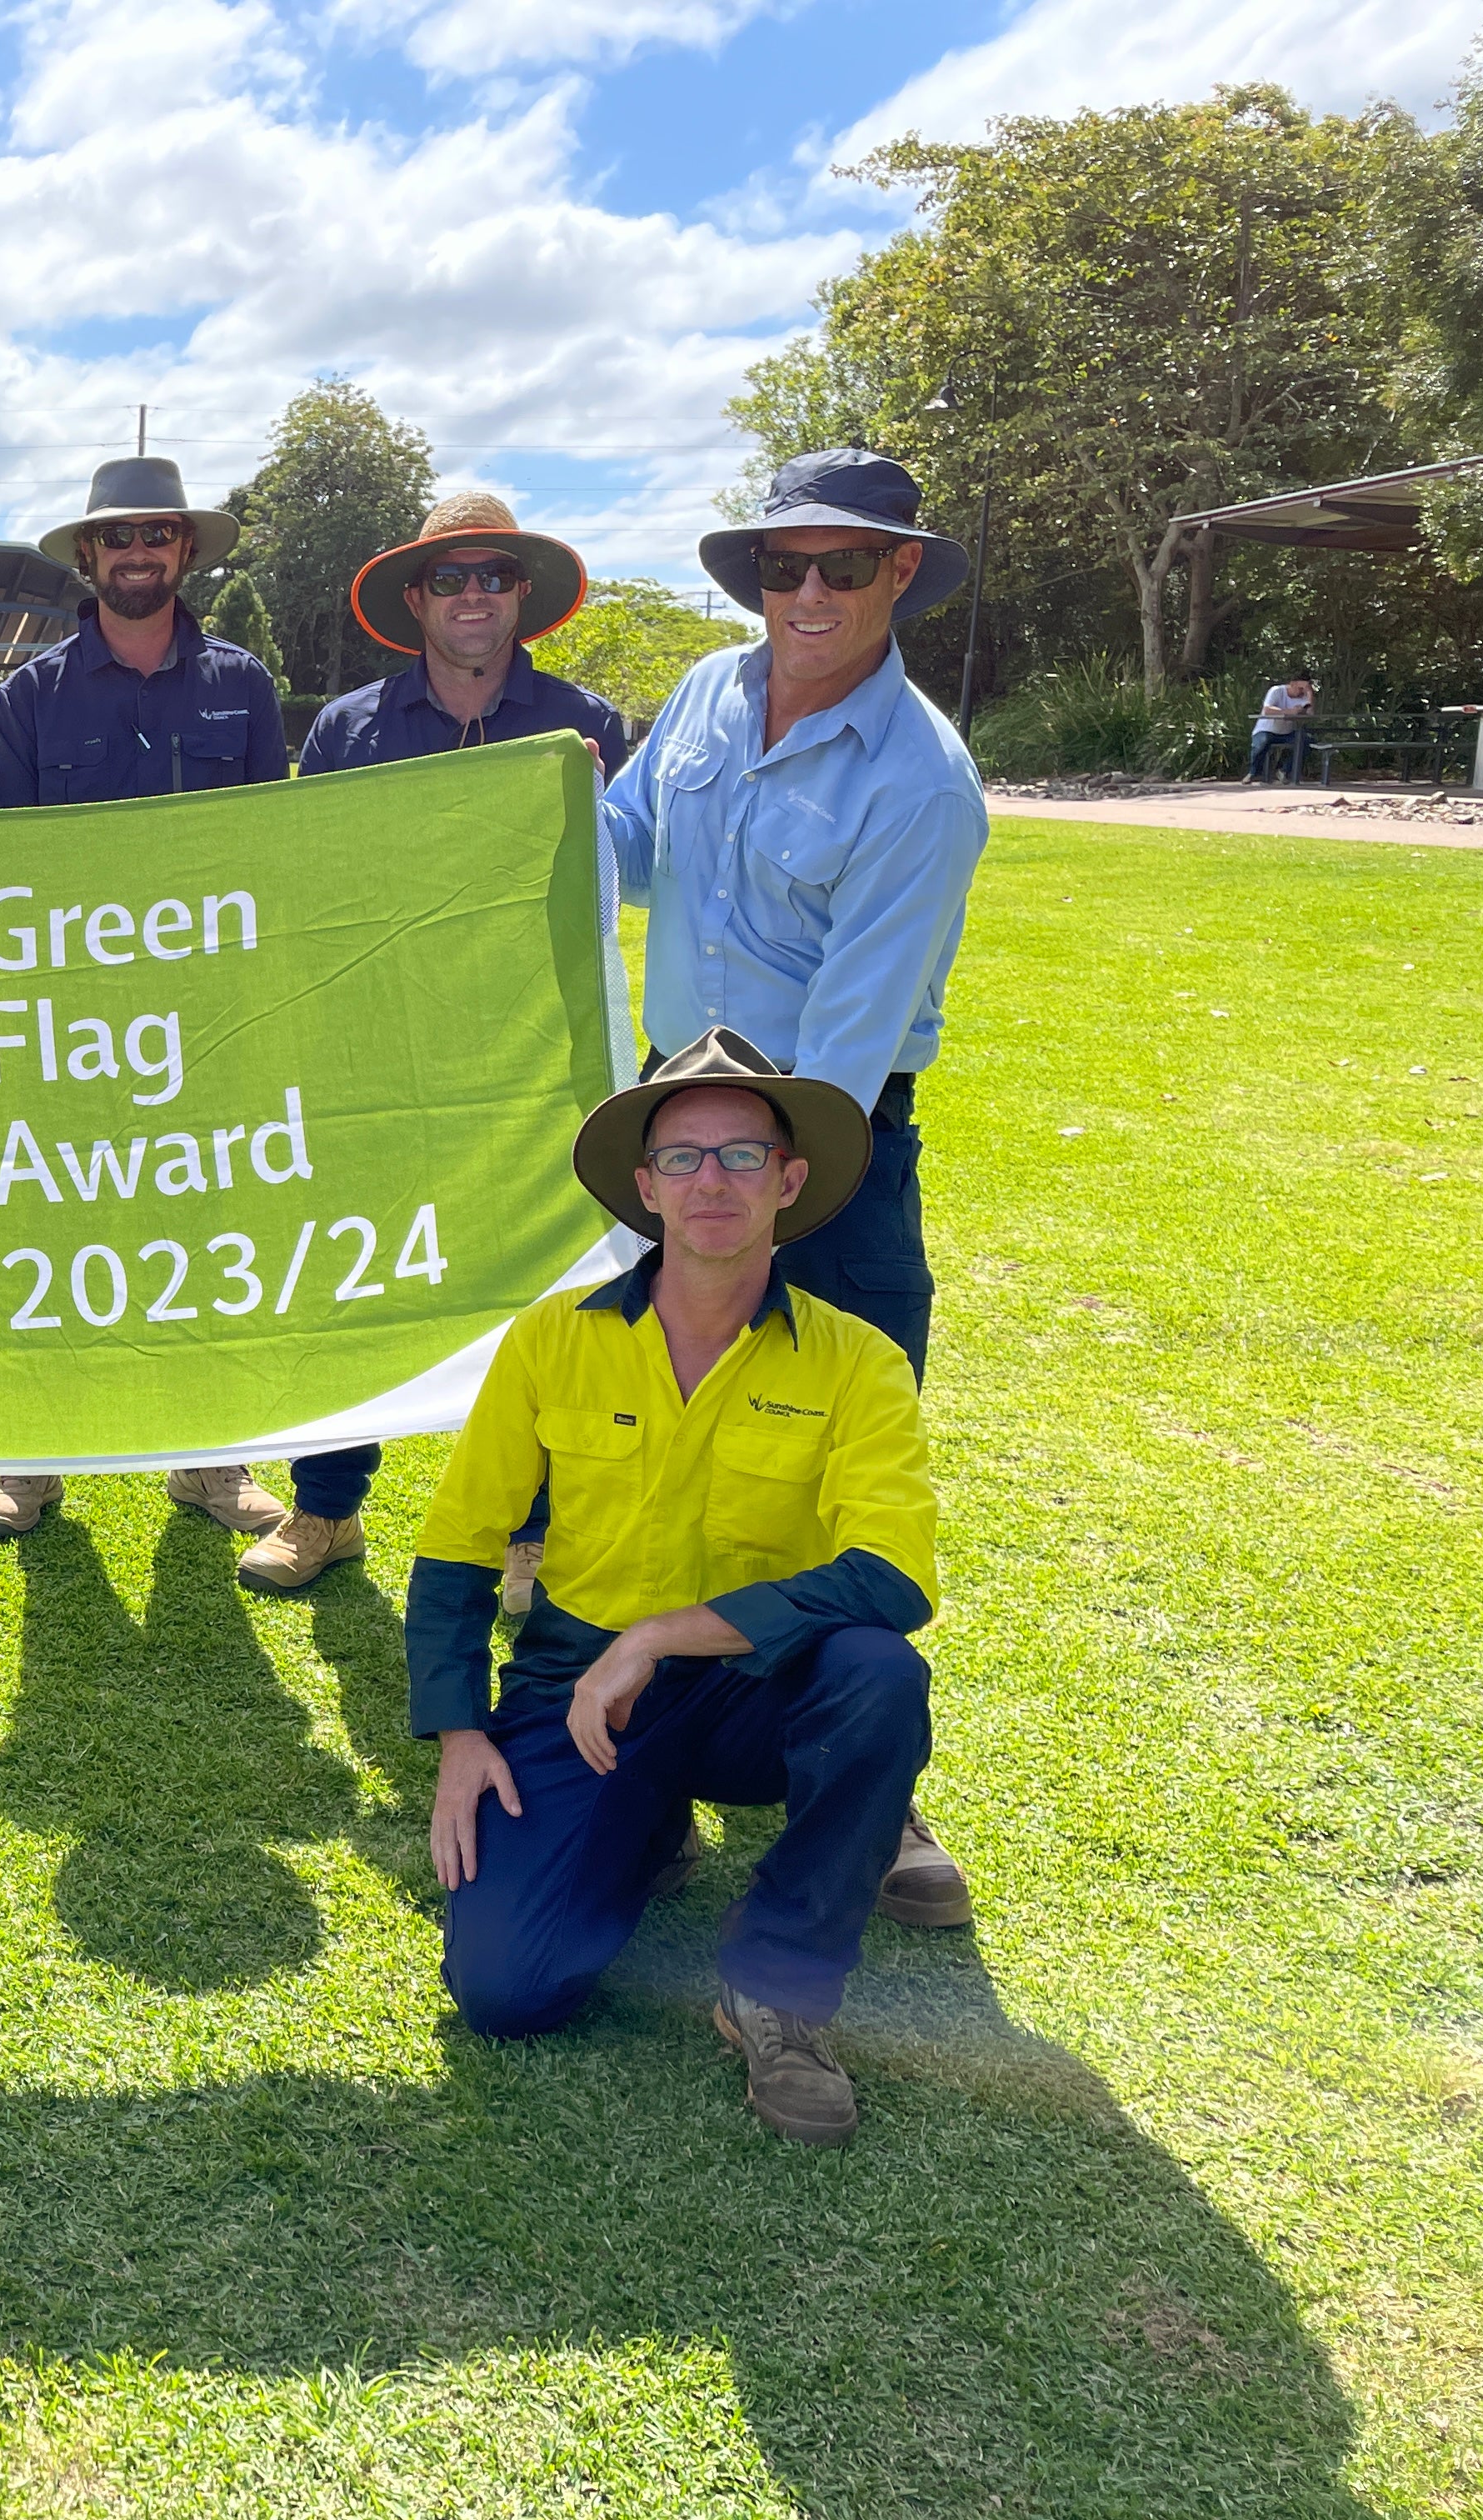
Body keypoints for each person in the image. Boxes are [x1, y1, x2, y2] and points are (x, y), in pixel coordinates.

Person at [407, 1031, 935, 2144]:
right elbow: (460, 1542)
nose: (713, 1184)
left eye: (744, 1157)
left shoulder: (857, 1362)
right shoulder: (554, 1340)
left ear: (789, 1184)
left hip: (759, 1686)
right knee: (509, 1992)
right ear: (645, 1189)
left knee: (878, 1676)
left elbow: (892, 1576)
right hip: (577, 1691)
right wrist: (458, 1731)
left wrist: (662, 1634)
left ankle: (779, 1990)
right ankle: (644, 1829)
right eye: (684, 1159)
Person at [598, 447, 989, 1930]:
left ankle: (872, 1789)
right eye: (784, 565)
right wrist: (513, 818)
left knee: (832, 1462)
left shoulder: (921, 783)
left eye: (844, 564)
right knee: (655, 1444)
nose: (808, 591)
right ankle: (640, 1737)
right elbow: (624, 844)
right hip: (676, 1129)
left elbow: (837, 1051)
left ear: (901, 575)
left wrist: (737, 1203)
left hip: (826, 1146)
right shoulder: (706, 690)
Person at [247, 490, 632, 1600]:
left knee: (545, 1294)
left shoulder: (585, 726)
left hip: (528, 1059)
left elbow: (611, 887)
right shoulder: (350, 729)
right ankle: (328, 1510)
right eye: (452, 579)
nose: (474, 597)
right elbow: (300, 882)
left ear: (523, 597)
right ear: (417, 599)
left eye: (495, 577)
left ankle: (533, 1529)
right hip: (376, 1045)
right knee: (356, 1270)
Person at [0, 455, 291, 1548]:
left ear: (185, 551)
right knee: (58, 1228)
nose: (140, 554)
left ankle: (211, 1458)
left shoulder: (243, 686)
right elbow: (2, 876)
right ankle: (31, 1463)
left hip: (207, 1016)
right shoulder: (33, 696)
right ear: (91, 556)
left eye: (159, 535)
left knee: (207, 1231)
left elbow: (266, 856)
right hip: (70, 1022)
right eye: (120, 538)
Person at [1249, 672, 1317, 782]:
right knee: (1261, 743)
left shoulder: (1304, 697)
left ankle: (1284, 770)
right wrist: (1289, 712)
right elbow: (1267, 710)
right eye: (1300, 688)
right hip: (1266, 730)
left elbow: (1310, 713)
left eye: (1304, 689)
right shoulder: (1276, 691)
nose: (1301, 692)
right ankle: (1254, 773)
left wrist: (1309, 694)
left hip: (1287, 732)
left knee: (1306, 742)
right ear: (1292, 684)